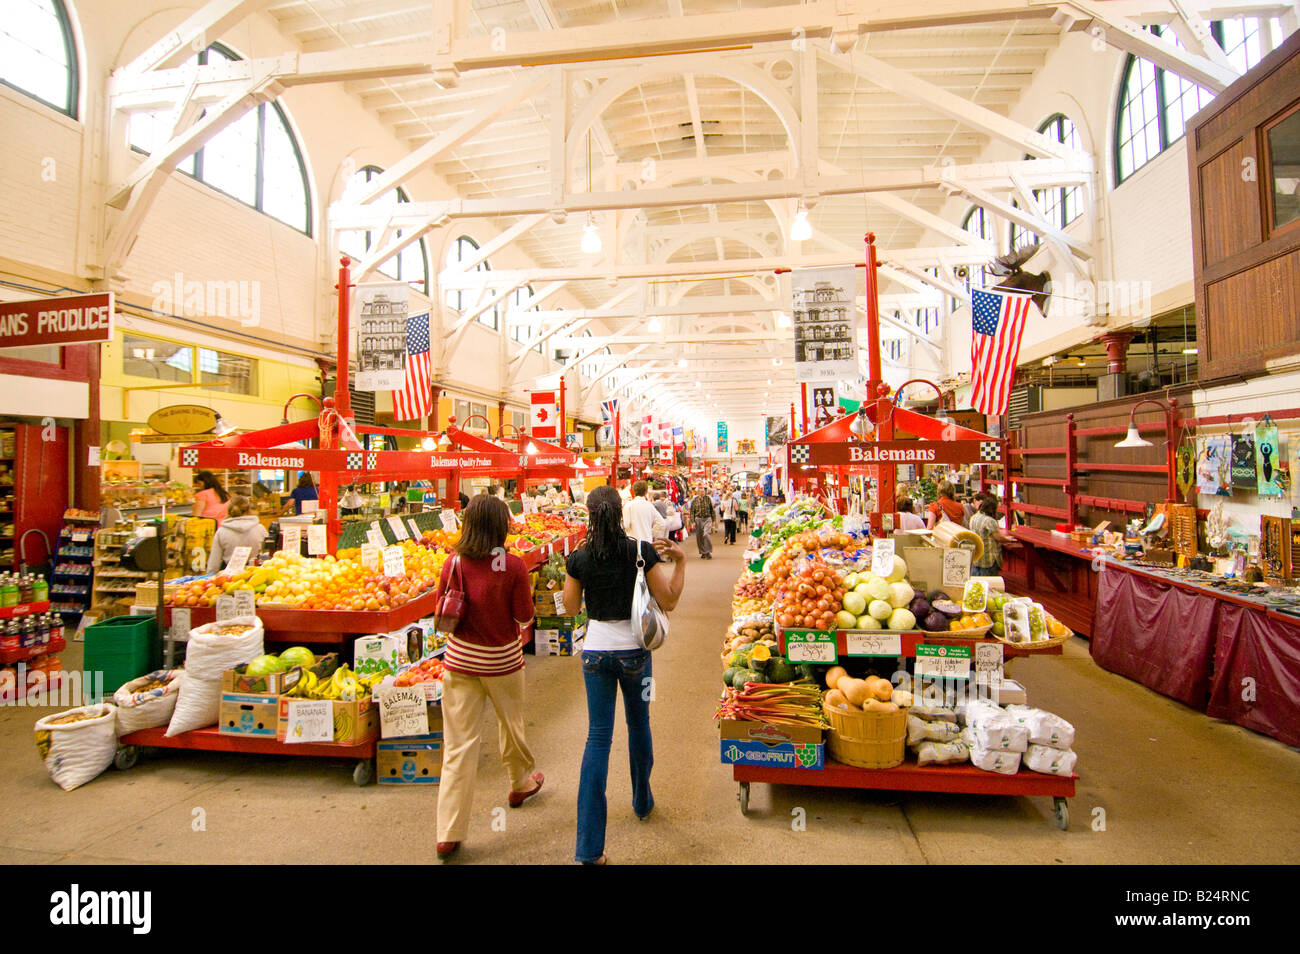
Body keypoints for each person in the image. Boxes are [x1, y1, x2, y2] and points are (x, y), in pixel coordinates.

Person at [563, 486, 686, 865]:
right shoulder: (640, 551)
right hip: (636, 655)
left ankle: (588, 850)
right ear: (619, 514)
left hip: (596, 655)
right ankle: (642, 799)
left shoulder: (579, 557)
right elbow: (668, 600)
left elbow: (570, 608)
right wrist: (681, 563)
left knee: (597, 739)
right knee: (639, 724)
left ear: (589, 514)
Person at [434, 495, 542, 861]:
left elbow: (441, 608)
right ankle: (519, 784)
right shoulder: (511, 566)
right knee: (511, 727)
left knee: (459, 746)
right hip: (502, 663)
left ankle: (448, 832)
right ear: (500, 525)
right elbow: (525, 616)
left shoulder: (454, 563)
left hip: (459, 662)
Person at [206, 496, 267, 573]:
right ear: (248, 510)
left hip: (230, 579)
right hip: (257, 575)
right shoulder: (260, 529)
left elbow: (214, 564)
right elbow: (267, 556)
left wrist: (210, 579)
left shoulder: (221, 532)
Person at [969, 495, 1016, 577]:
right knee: (989, 584)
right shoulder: (990, 521)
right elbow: (998, 537)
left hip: (976, 557)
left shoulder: (973, 518)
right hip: (988, 558)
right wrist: (1008, 539)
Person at [689, 487, 715, 559]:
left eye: (703, 491)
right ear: (698, 493)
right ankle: (703, 552)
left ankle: (708, 551)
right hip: (698, 519)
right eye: (701, 492)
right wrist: (693, 521)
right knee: (699, 537)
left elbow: (712, 510)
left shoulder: (708, 499)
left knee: (706, 534)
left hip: (707, 518)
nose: (702, 493)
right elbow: (692, 512)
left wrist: (713, 520)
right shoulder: (695, 500)